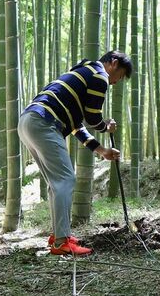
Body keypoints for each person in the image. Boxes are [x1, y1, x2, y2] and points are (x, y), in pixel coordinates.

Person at [18, 50, 133, 256]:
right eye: (120, 76)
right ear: (113, 63)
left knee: (57, 183)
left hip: (29, 120)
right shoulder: (100, 76)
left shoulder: (84, 72)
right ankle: (61, 242)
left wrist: (101, 150)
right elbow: (92, 117)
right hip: (45, 122)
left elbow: (77, 125)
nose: (116, 82)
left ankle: (58, 236)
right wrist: (105, 127)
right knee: (65, 180)